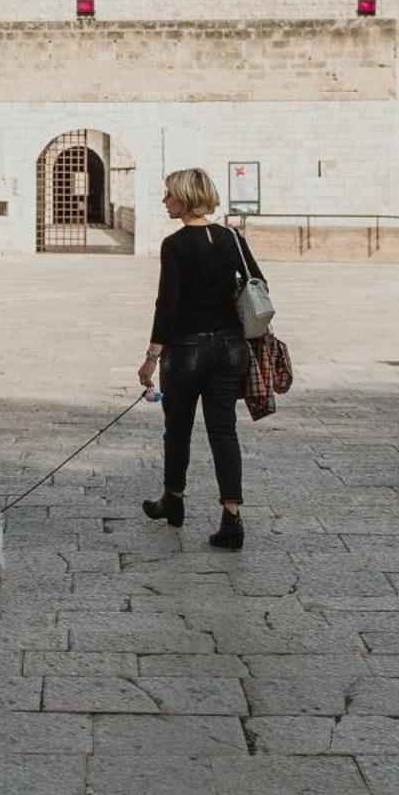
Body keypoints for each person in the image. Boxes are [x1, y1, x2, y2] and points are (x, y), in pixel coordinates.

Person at [137, 166, 264, 550]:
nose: (165, 200)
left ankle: (173, 500)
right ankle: (231, 517)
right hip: (230, 348)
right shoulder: (232, 239)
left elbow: (168, 306)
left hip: (188, 351)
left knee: (178, 428)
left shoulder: (175, 245)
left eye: (169, 194)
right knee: (223, 431)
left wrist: (151, 357)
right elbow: (259, 282)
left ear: (186, 199)